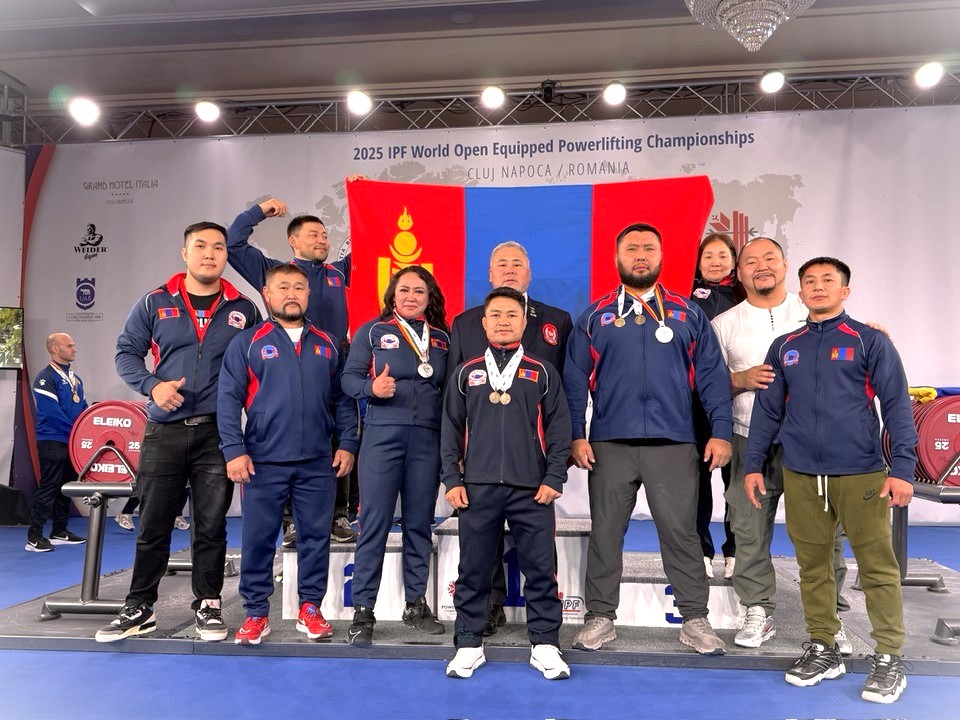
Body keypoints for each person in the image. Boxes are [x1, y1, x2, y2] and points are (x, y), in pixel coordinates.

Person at [745, 257, 916, 704]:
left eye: (828, 280)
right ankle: (823, 646)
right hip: (801, 474)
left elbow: (897, 407)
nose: (818, 287)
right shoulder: (785, 346)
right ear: (800, 292)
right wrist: (752, 464)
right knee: (813, 566)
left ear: (845, 291)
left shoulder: (869, 341)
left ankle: (888, 655)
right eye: (810, 281)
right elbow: (768, 411)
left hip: (861, 473)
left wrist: (902, 469)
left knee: (877, 566)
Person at [565, 222, 732, 655]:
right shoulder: (594, 316)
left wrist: (721, 432)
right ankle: (600, 618)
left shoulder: (688, 313)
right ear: (617, 258)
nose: (640, 255)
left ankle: (694, 619)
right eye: (632, 248)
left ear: (661, 257)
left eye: (649, 248)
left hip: (674, 443)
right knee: (606, 534)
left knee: (682, 534)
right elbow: (574, 382)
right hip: (610, 444)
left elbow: (712, 379)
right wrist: (576, 436)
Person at [96, 221, 260, 643]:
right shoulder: (154, 301)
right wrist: (153, 386)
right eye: (200, 246)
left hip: (217, 434)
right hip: (163, 431)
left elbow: (258, 368)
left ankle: (208, 603)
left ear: (226, 256)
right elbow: (126, 352)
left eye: (218, 247)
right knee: (153, 523)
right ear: (185, 253)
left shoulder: (244, 308)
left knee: (211, 525)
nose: (210, 254)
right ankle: (140, 606)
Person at [711, 238, 850, 651]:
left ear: (786, 265)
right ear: (739, 273)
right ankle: (757, 608)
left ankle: (829, 616)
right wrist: (740, 379)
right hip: (748, 437)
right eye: (750, 261)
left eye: (770, 258)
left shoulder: (810, 310)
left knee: (824, 530)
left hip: (812, 440)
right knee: (748, 528)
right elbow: (708, 384)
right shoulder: (724, 324)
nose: (761, 266)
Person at [217, 263, 358, 645]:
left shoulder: (327, 343)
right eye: (283, 287)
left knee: (315, 538)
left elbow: (343, 400)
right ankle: (256, 613)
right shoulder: (247, 343)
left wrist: (347, 443)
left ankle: (310, 608)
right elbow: (227, 401)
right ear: (267, 293)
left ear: (308, 294)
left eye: (299, 287)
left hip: (317, 462)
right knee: (258, 540)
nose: (292, 294)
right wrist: (234, 450)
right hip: (262, 461)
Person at [441, 287, 572, 680]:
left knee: (541, 569)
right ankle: (468, 644)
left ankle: (545, 643)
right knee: (473, 569)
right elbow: (449, 429)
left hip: (532, 489)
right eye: (495, 315)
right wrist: (452, 478)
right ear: (484, 323)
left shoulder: (542, 372)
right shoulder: (466, 373)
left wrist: (554, 476)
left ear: (523, 323)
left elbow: (560, 428)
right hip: (476, 488)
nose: (503, 321)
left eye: (511, 315)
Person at [227, 195, 357, 544]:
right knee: (288, 444)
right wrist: (258, 211)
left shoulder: (339, 273)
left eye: (325, 235)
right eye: (314, 235)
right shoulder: (277, 273)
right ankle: (292, 520)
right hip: (285, 365)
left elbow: (375, 240)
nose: (322, 240)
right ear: (293, 241)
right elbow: (233, 243)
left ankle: (339, 515)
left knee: (339, 441)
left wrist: (362, 198)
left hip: (332, 365)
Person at [341, 266, 449, 645]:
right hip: (382, 437)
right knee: (374, 524)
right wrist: (371, 387)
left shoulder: (441, 338)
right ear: (392, 294)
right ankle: (363, 610)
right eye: (404, 290)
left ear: (429, 297)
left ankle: (415, 605)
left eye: (419, 291)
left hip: (427, 440)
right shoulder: (373, 331)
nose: (411, 297)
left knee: (419, 524)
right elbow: (348, 379)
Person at [689, 233, 741, 580]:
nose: (716, 262)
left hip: (740, 401)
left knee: (735, 481)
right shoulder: (684, 297)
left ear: (734, 262)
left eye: (723, 255)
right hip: (695, 403)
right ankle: (701, 550)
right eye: (708, 256)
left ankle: (735, 550)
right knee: (698, 481)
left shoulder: (747, 296)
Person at [26, 333, 88, 552]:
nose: (74, 349)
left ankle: (59, 531)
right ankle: (34, 537)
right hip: (52, 439)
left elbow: (83, 410)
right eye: (69, 345)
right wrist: (75, 433)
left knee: (65, 488)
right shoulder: (45, 378)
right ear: (55, 349)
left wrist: (85, 431)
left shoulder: (75, 379)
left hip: (70, 442)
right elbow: (52, 414)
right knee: (49, 487)